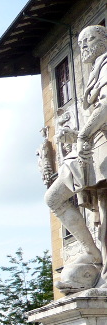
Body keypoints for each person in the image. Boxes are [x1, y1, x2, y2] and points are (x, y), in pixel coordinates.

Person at [44, 25, 107, 292]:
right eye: (80, 42)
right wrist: (77, 135)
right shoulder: (97, 70)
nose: (83, 46)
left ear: (104, 39)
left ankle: (101, 265)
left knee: (105, 210)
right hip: (92, 147)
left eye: (89, 39)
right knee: (54, 198)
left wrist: (83, 136)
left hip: (98, 148)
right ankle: (94, 256)